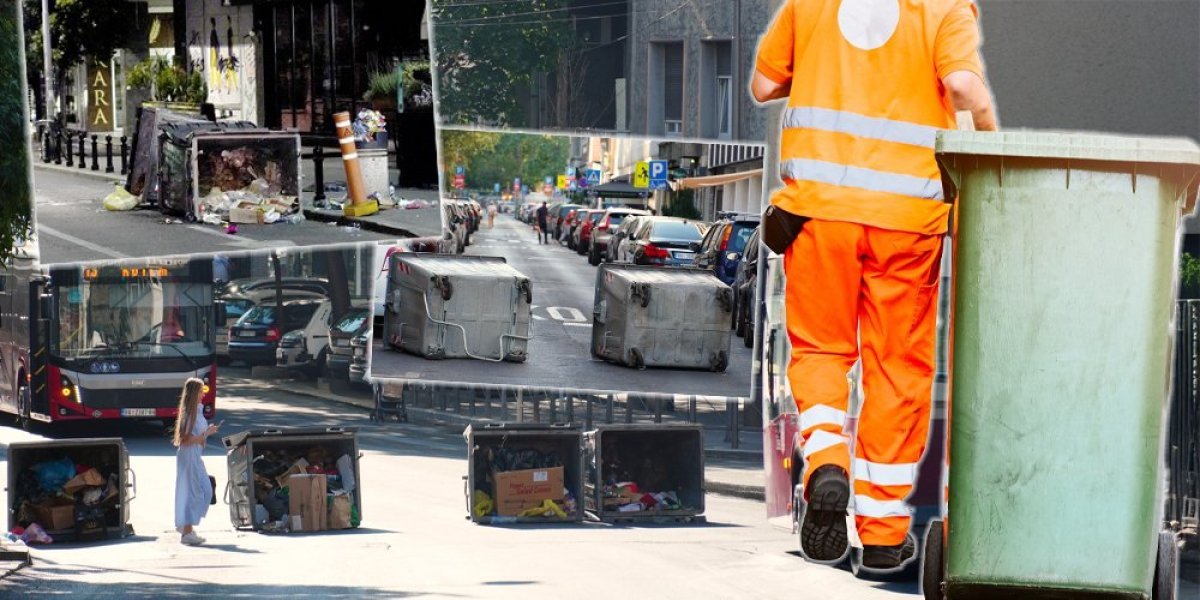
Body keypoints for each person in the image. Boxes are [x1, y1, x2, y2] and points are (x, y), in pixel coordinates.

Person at [752, 0, 997, 572]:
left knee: (819, 351)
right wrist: (987, 132)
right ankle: (884, 534)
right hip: (907, 224)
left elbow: (764, 85)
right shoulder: (944, 8)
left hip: (816, 214)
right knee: (895, 369)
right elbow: (962, 85)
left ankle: (827, 461)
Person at [173, 377, 218, 546]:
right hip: (189, 455)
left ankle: (188, 528)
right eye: (201, 391)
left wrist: (207, 433)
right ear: (194, 393)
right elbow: (185, 439)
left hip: (195, 455)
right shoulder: (190, 412)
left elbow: (195, 437)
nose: (203, 394)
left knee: (204, 489)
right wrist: (207, 434)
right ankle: (187, 531)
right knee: (194, 492)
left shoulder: (196, 412)